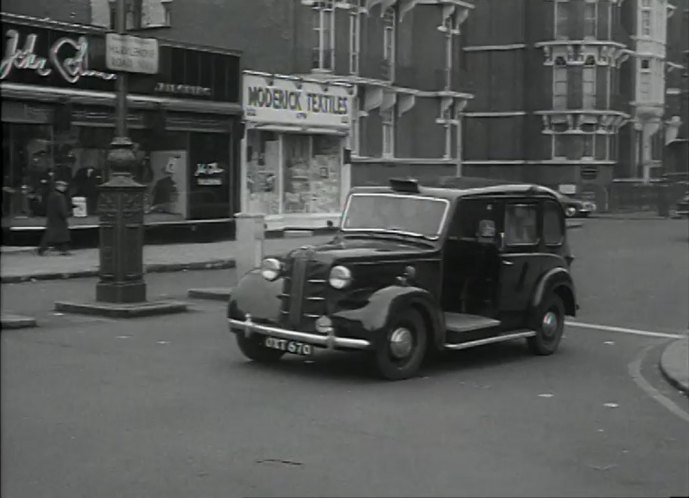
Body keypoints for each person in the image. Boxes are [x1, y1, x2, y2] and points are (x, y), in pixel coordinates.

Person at [37, 180, 71, 256]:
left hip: (52, 217)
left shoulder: (52, 195)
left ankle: (63, 249)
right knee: (59, 235)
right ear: (58, 186)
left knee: (51, 234)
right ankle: (63, 250)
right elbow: (62, 208)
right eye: (63, 186)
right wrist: (65, 214)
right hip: (59, 218)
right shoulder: (60, 196)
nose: (64, 188)